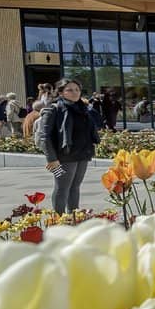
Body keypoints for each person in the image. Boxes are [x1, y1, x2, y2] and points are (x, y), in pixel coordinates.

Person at [39, 78, 101, 214]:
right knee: (62, 188)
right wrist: (51, 159)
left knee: (75, 187)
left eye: (77, 90)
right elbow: (45, 137)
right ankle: (58, 220)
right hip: (61, 158)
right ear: (61, 93)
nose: (75, 92)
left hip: (82, 155)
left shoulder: (84, 110)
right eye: (70, 90)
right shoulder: (53, 109)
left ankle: (73, 218)